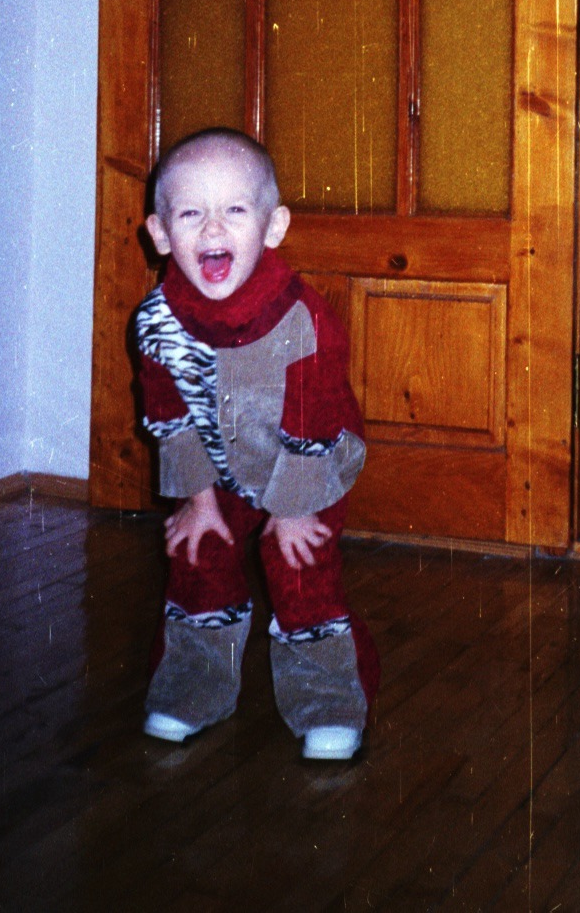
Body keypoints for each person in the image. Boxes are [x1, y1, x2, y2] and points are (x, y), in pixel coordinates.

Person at [133, 127, 379, 755]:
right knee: (199, 552)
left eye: (235, 211)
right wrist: (198, 500)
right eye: (191, 213)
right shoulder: (157, 323)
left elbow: (314, 422)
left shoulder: (304, 321)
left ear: (272, 227)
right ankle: (195, 684)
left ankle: (329, 698)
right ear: (161, 233)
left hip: (306, 462)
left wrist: (292, 509)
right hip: (218, 463)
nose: (213, 230)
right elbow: (171, 418)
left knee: (298, 563)